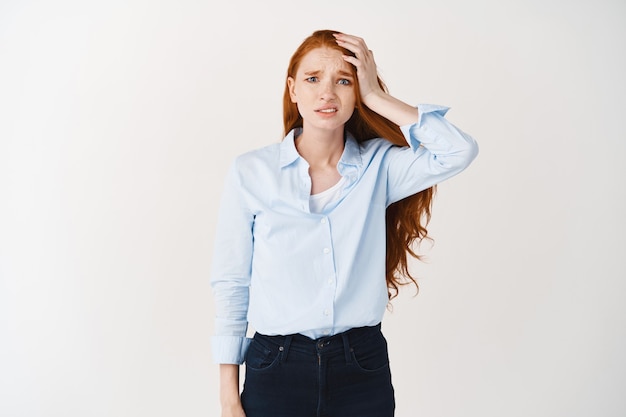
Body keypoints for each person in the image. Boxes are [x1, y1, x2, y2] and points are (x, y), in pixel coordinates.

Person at [210, 29, 479, 417]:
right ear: (292, 89)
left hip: (360, 367)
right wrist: (228, 396)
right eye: (313, 79)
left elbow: (458, 150)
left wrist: (377, 97)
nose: (327, 93)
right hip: (275, 367)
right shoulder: (251, 173)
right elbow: (232, 283)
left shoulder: (380, 166)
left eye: (344, 81)